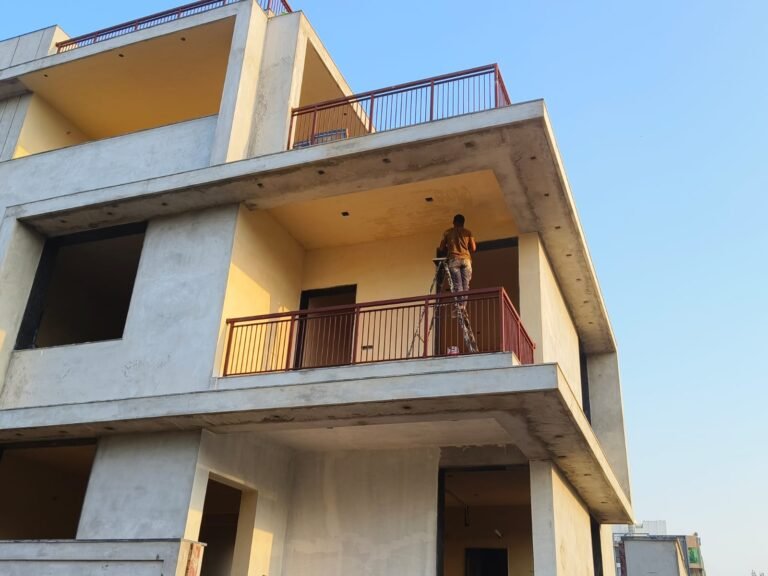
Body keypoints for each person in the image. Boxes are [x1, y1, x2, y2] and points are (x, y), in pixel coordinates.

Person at [439, 214, 477, 307]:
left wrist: (449, 247)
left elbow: (441, 248)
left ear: (453, 222)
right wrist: (465, 249)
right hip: (466, 260)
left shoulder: (447, 232)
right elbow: (473, 248)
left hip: (454, 260)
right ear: (463, 223)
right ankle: (463, 306)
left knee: (458, 284)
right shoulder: (468, 232)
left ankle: (460, 305)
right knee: (465, 285)